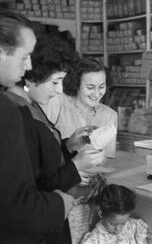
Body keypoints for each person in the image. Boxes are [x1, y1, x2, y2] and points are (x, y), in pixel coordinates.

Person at [5, 36, 106, 243]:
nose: (59, 90)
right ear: (31, 78)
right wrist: (76, 167)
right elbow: (36, 184)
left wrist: (69, 145)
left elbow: (40, 157)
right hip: (42, 221)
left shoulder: (30, 104)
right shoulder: (15, 116)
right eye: (55, 82)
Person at [0, 9, 76, 243]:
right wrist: (60, 204)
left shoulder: (23, 106)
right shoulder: (8, 111)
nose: (29, 65)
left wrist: (70, 144)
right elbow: (15, 202)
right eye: (25, 56)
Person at [43, 57, 118, 159]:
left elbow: (108, 159)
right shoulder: (58, 102)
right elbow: (43, 150)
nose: (96, 94)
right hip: (60, 172)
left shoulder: (109, 115)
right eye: (90, 87)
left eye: (101, 87)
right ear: (76, 84)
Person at [80, 184, 148, 244]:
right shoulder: (95, 239)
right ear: (100, 213)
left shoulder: (134, 227)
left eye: (123, 223)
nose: (118, 229)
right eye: (113, 224)